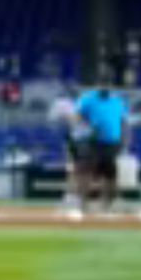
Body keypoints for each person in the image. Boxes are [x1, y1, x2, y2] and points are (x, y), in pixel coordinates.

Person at [76, 80, 129, 213]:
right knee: (86, 171)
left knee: (110, 174)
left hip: (112, 141)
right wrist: (88, 127)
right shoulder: (87, 98)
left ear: (111, 86)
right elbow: (77, 116)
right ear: (97, 85)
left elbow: (123, 121)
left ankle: (106, 203)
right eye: (102, 85)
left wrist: (125, 140)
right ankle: (83, 203)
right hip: (92, 141)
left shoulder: (118, 100)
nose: (104, 88)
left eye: (107, 85)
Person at [48, 84, 88, 213]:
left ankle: (74, 195)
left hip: (81, 139)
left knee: (78, 169)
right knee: (72, 168)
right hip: (71, 140)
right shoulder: (63, 104)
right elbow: (54, 120)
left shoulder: (83, 105)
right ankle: (70, 196)